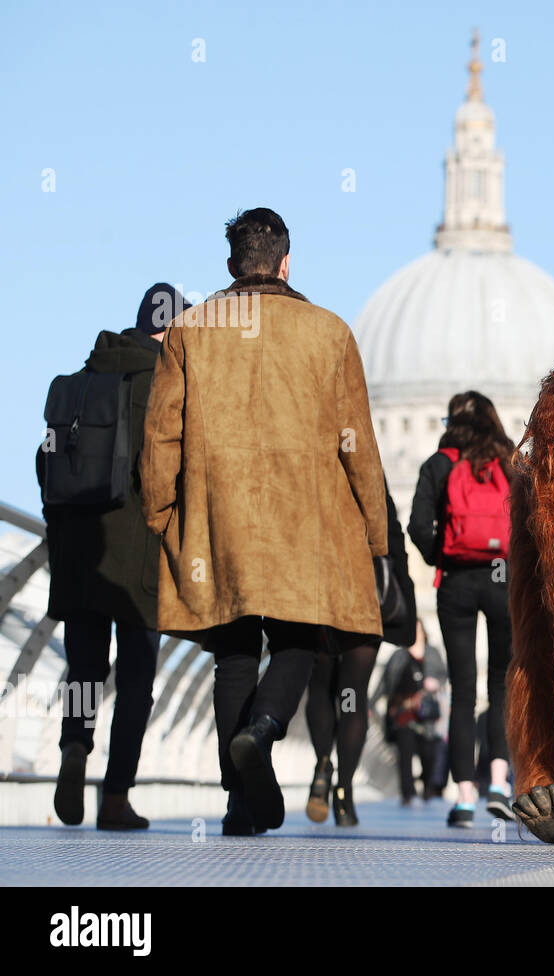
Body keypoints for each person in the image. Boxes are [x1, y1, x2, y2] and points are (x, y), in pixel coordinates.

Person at [140, 208, 387, 836]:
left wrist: (160, 511)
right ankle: (266, 729)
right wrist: (374, 530)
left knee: (232, 654)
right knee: (299, 640)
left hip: (219, 517)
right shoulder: (328, 331)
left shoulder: (189, 331)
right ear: (285, 262)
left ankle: (238, 804)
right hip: (305, 519)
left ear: (231, 266)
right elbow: (356, 441)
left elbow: (162, 430)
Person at [38, 283, 189, 830]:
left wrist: (66, 526)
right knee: (136, 681)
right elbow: (177, 473)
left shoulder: (81, 380)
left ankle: (75, 746)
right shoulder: (165, 387)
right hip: (140, 554)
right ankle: (116, 796)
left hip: (79, 550)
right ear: (171, 330)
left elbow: (45, 460)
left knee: (83, 668)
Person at [408, 391, 515, 827]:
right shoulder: (510, 462)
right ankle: (498, 784)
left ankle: (465, 797)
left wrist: (443, 555)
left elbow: (417, 525)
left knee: (463, 691)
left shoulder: (439, 464)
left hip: (456, 581)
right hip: (500, 577)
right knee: (503, 686)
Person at [304, 483, 416, 826]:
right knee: (352, 694)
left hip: (319, 591)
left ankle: (323, 763)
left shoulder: (314, 467)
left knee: (321, 688)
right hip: (366, 597)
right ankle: (344, 794)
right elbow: (395, 543)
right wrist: (405, 605)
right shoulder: (370, 475)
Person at [383, 620, 449, 806]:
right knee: (404, 754)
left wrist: (435, 683)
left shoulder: (433, 653)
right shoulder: (398, 655)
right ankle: (407, 793)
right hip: (404, 711)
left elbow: (444, 676)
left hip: (427, 714)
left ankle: (428, 787)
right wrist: (369, 705)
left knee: (428, 753)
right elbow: (386, 683)